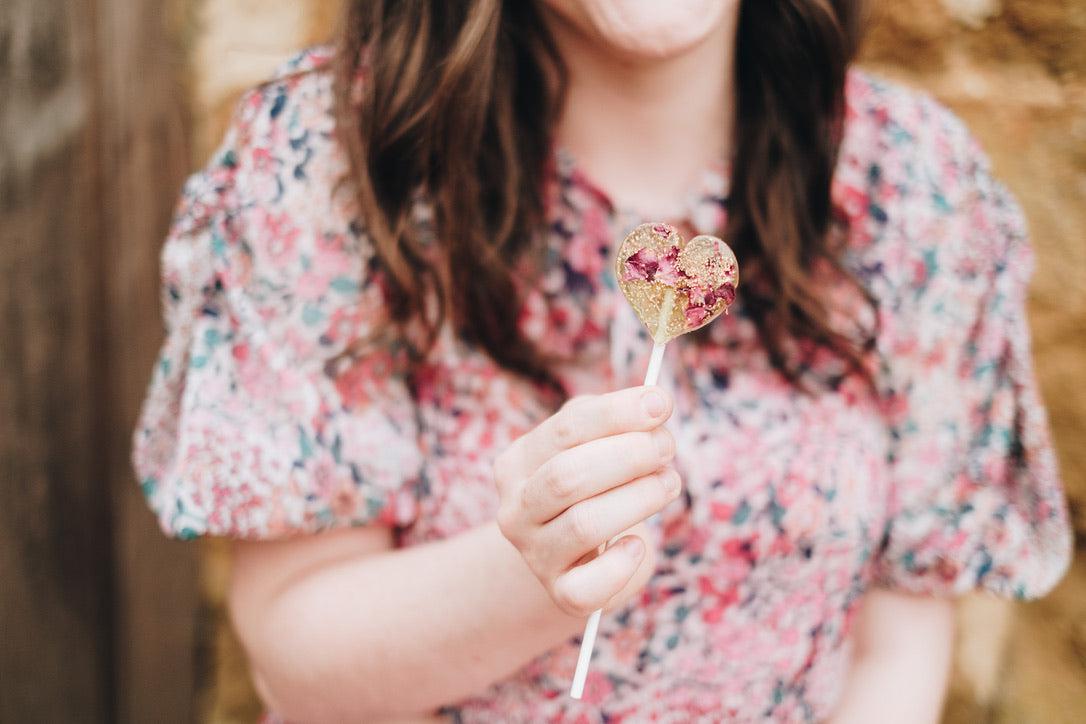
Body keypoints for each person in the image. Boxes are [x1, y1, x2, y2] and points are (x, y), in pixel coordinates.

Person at [133, 1, 1072, 721]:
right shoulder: (332, 160)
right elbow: (296, 658)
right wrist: (533, 573)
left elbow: (898, 652)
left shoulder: (915, 186)